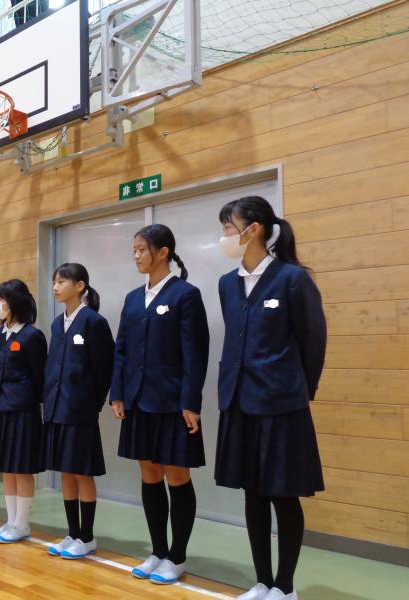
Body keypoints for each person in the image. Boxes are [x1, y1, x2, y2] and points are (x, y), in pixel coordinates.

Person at [215, 196, 326, 600]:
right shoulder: (227, 283)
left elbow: (313, 342)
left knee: (283, 493)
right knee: (253, 492)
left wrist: (298, 390)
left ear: (254, 229)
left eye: (229, 228)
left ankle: (285, 587)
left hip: (281, 404)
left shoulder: (292, 279)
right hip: (239, 401)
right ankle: (262, 582)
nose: (224, 236)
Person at [111, 225, 209, 584]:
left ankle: (177, 557)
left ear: (163, 252)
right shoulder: (132, 298)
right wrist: (118, 392)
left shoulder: (186, 294)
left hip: (173, 402)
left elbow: (195, 353)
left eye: (141, 249)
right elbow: (121, 349)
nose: (136, 256)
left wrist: (191, 402)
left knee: (177, 477)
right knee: (149, 475)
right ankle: (158, 551)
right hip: (138, 400)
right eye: (134, 250)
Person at [43, 263, 114, 559]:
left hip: (80, 410)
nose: (56, 287)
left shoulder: (94, 322)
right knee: (66, 471)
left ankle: (87, 536)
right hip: (56, 408)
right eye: (54, 282)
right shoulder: (57, 323)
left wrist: (91, 404)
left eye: (62, 282)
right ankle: (72, 533)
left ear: (80, 286)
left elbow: (104, 369)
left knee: (83, 472)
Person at [0, 279, 47, 544]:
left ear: (15, 302)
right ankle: (10, 521)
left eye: (1, 299)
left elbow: (40, 377)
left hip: (22, 409)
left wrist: (31, 402)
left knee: (22, 468)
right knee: (6, 467)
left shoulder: (31, 336)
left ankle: (22, 524)